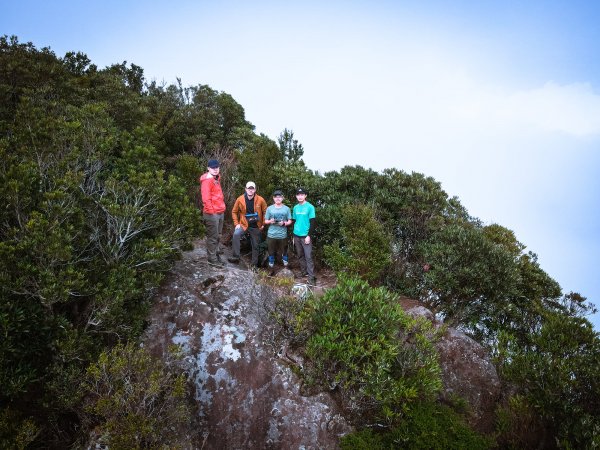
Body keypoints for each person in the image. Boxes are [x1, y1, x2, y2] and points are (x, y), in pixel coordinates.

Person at [228, 181, 267, 267]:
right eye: (249, 188)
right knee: (236, 234)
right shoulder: (240, 199)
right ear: (245, 189)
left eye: (252, 188)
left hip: (256, 226)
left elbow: (265, 212)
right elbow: (234, 212)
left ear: (255, 190)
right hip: (244, 224)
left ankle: (254, 265)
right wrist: (236, 223)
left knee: (256, 245)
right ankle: (236, 257)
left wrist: (263, 224)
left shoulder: (261, 200)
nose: (250, 190)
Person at [199, 159, 226, 267]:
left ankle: (215, 255)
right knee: (213, 237)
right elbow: (206, 199)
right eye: (213, 168)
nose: (215, 169)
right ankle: (212, 259)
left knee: (218, 236)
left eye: (217, 167)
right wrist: (212, 212)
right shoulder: (207, 181)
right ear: (208, 168)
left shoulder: (216, 178)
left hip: (220, 212)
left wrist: (221, 208)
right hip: (212, 213)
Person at [292, 187, 316, 284]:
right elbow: (294, 221)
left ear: (305, 196)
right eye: (298, 195)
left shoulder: (310, 207)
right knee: (300, 255)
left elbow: (313, 223)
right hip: (296, 235)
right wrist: (293, 236)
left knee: (308, 256)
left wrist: (309, 235)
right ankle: (303, 272)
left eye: (302, 194)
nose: (300, 196)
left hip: (305, 236)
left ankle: (311, 277)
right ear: (296, 196)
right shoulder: (295, 207)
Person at [264, 190, 292, 269]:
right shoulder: (269, 208)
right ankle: (271, 264)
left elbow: (290, 221)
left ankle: (285, 264)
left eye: (279, 197)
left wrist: (284, 223)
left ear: (282, 198)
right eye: (276, 197)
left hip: (282, 234)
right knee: (271, 251)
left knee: (284, 250)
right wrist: (270, 221)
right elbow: (265, 221)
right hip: (271, 234)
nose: (278, 198)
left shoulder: (287, 209)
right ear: (273, 198)